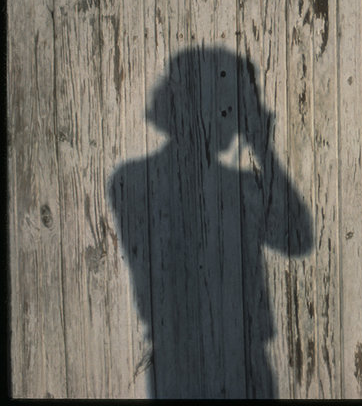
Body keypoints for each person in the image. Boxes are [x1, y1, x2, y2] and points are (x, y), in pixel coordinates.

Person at [107, 47, 313, 398]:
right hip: (183, 362)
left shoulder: (241, 186)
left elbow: (298, 239)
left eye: (232, 111)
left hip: (246, 362)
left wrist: (263, 145)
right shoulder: (132, 181)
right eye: (223, 109)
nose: (230, 121)